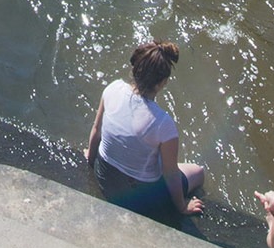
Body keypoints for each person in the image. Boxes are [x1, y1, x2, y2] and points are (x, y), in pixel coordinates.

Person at [87, 41, 204, 221]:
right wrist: (182, 206)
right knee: (197, 171)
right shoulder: (163, 123)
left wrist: (90, 161)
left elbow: (96, 131)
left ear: (134, 69)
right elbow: (170, 173)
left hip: (103, 178)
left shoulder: (112, 88)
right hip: (138, 198)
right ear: (162, 82)